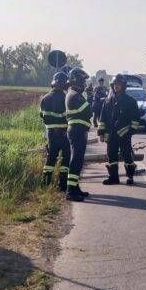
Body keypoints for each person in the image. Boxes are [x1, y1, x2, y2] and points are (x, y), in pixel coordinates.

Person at [98, 74, 140, 185]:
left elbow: (135, 119)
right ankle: (113, 177)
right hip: (111, 135)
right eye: (114, 85)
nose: (116, 86)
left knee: (127, 155)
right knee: (111, 155)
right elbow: (102, 118)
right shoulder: (108, 101)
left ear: (123, 86)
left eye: (119, 84)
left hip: (124, 134)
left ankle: (130, 176)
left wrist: (130, 131)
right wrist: (101, 132)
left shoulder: (130, 101)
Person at [39, 72, 71, 192]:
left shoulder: (45, 98)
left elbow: (42, 116)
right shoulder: (66, 98)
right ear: (64, 85)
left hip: (51, 134)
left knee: (51, 158)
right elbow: (69, 117)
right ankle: (62, 185)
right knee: (66, 158)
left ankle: (46, 183)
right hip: (64, 134)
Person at [65, 67, 93, 202]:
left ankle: (75, 187)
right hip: (77, 131)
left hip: (78, 130)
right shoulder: (74, 95)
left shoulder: (74, 93)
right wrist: (91, 97)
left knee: (78, 160)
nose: (84, 83)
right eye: (83, 80)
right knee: (76, 160)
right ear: (76, 80)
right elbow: (88, 111)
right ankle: (70, 191)